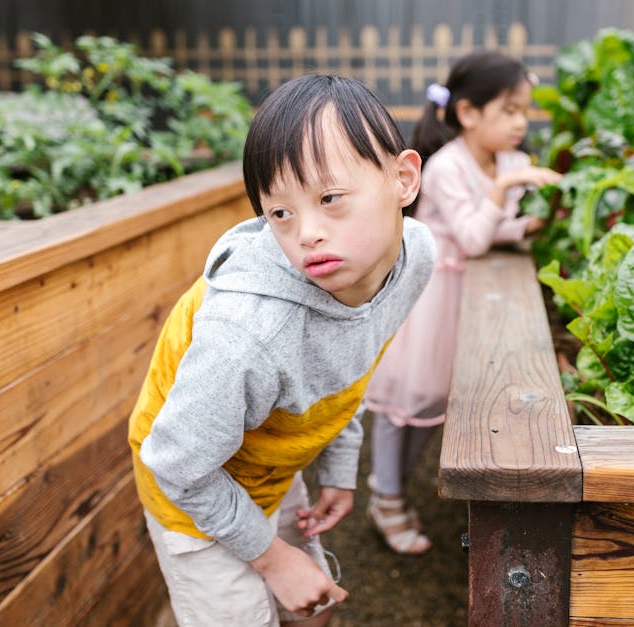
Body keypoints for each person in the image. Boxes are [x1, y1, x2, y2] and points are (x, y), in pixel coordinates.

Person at [128, 73, 436, 626]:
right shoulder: (248, 333)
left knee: (314, 608)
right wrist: (273, 560)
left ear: (403, 179)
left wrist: (340, 470)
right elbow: (177, 464)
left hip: (262, 452)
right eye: (280, 213)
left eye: (330, 198)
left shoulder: (416, 259)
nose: (306, 233)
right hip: (190, 478)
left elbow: (349, 361)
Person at [363, 50, 563, 555]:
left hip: (462, 301)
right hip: (429, 299)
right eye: (509, 110)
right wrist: (503, 188)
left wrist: (528, 225)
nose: (522, 122)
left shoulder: (507, 162)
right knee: (402, 401)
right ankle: (385, 497)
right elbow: (473, 238)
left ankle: (393, 493)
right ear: (469, 113)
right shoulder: (448, 166)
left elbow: (494, 231)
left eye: (524, 110)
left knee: (431, 403)